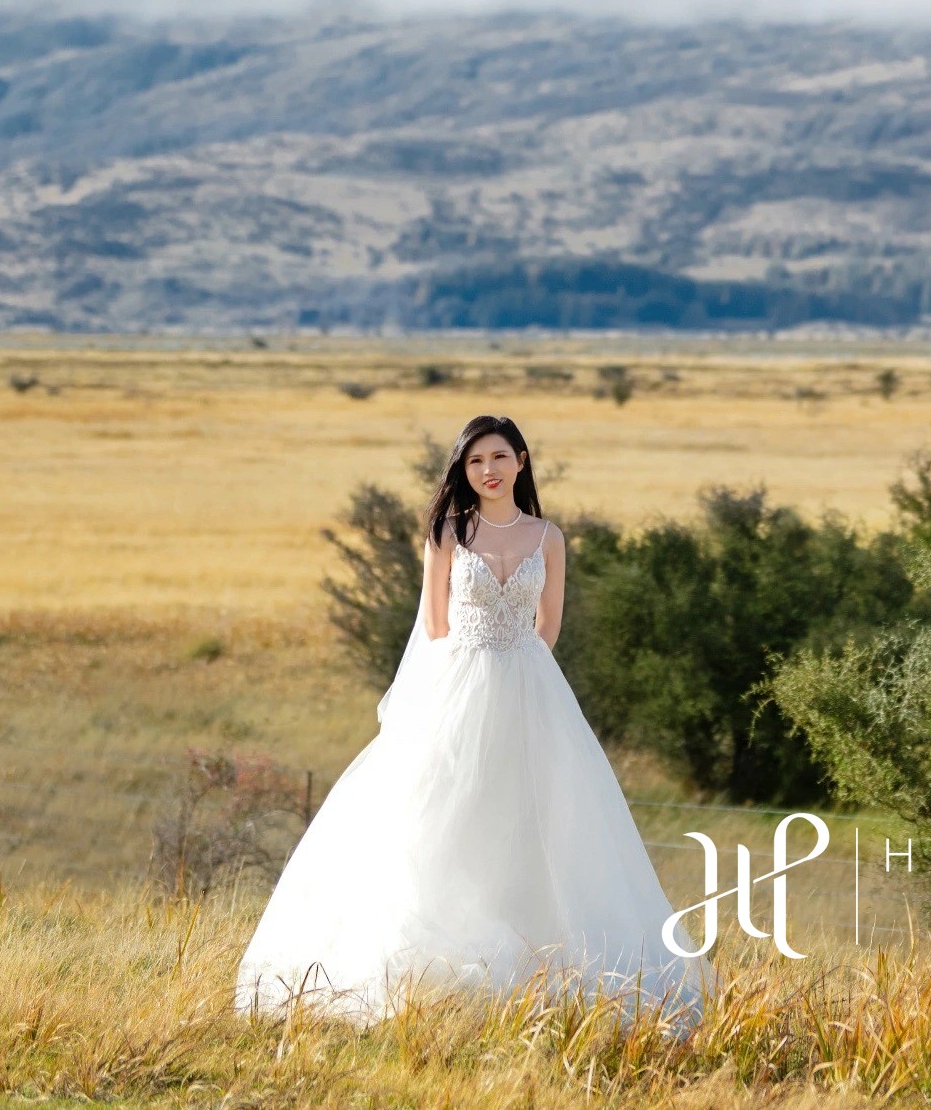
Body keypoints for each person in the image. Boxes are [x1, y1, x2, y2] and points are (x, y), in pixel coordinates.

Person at [235, 414, 706, 1023]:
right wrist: (469, 673)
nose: (488, 470)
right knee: (446, 812)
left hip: (532, 687)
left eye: (499, 457)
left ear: (522, 460)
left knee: (543, 815)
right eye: (476, 460)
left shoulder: (548, 537)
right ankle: (436, 964)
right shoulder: (448, 532)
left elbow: (550, 624)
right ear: (464, 469)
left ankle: (551, 959)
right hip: (460, 679)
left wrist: (521, 673)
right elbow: (434, 623)